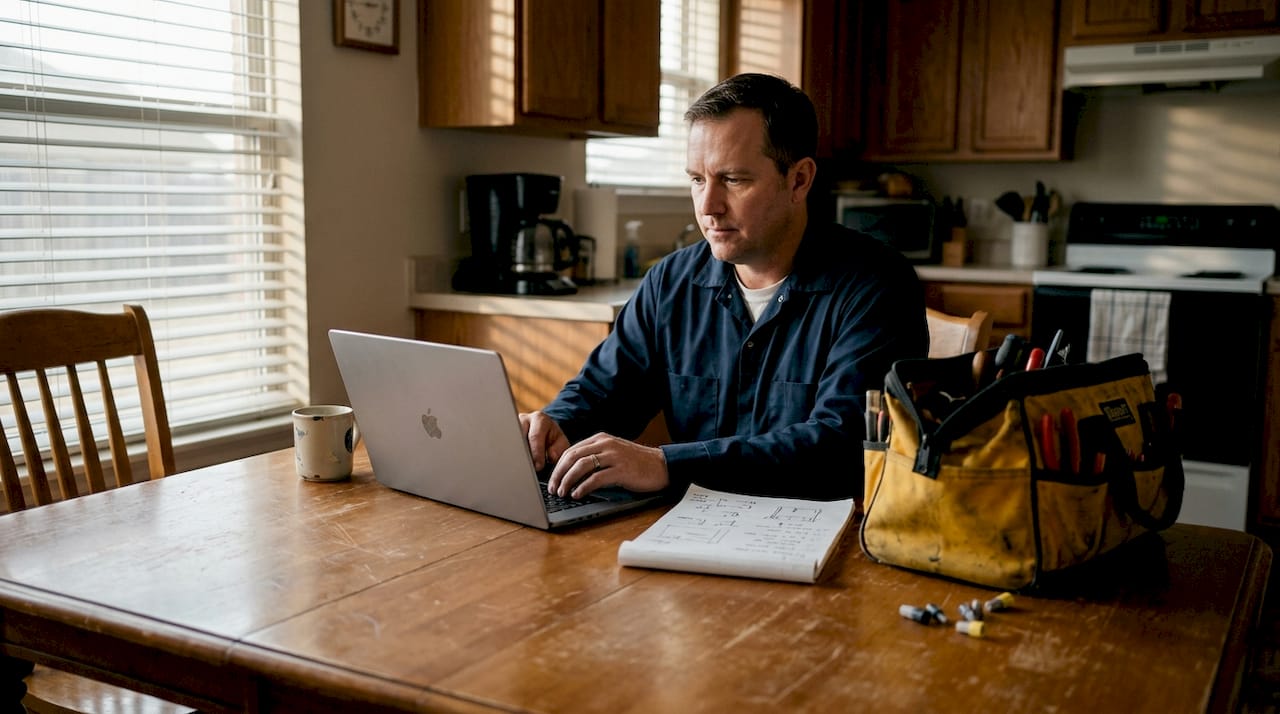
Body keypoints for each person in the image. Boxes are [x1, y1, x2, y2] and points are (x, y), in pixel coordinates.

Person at [520, 72, 928, 502]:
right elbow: (602, 393)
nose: (708, 206)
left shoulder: (877, 286)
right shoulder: (670, 283)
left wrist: (665, 464)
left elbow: (839, 448)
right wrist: (553, 426)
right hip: (690, 529)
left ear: (799, 180)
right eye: (698, 179)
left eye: (733, 180)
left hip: (828, 534)